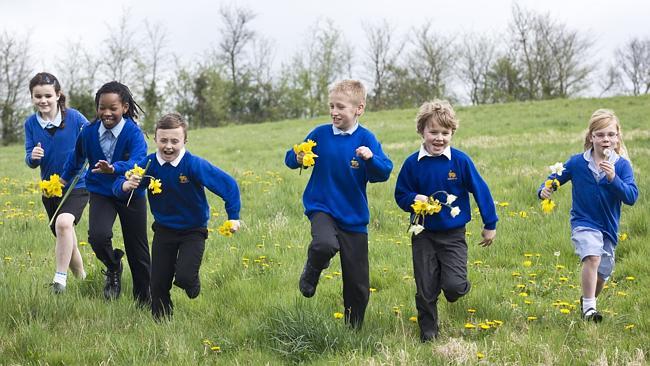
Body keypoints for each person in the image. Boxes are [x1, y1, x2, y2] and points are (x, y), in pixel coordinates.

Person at [285, 79, 393, 329]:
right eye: (331, 106)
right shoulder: (320, 134)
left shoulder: (366, 138)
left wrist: (370, 159)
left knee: (357, 282)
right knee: (324, 244)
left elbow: (384, 171)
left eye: (340, 107)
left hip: (354, 216)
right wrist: (299, 157)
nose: (334, 112)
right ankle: (312, 270)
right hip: (321, 206)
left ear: (359, 109)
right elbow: (291, 158)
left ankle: (353, 330)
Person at [114, 113, 241, 319]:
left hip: (193, 231)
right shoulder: (149, 165)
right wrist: (125, 185)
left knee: (184, 276)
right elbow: (122, 182)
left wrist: (233, 217)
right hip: (164, 231)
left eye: (175, 141)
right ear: (155, 139)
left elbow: (228, 185)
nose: (169, 146)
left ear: (184, 141)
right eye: (163, 140)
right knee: (157, 284)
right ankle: (162, 323)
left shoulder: (193, 164)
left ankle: (191, 282)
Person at [394, 99, 498, 342]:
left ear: (452, 133)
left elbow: (480, 190)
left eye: (445, 132)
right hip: (423, 234)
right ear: (422, 131)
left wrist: (489, 224)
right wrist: (413, 199)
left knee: (452, 287)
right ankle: (428, 331)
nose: (439, 138)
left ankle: (455, 284)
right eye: (433, 132)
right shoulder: (412, 164)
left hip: (453, 235)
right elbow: (400, 194)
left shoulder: (460, 161)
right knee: (425, 287)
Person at [537, 109, 638, 322]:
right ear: (591, 137)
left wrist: (613, 178)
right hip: (584, 222)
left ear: (617, 137)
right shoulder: (577, 163)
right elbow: (555, 178)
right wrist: (544, 189)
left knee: (603, 270)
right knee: (592, 256)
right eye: (600, 135)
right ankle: (590, 310)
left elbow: (631, 197)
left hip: (609, 227)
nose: (606, 139)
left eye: (611, 134)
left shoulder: (621, 166)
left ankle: (586, 301)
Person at [62, 81, 150, 305]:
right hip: (101, 191)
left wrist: (115, 168)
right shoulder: (89, 132)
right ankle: (113, 267)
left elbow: (139, 160)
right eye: (102, 107)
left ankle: (144, 297)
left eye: (113, 108)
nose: (107, 113)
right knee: (98, 237)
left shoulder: (133, 133)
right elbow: (76, 157)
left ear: (125, 108)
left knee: (136, 247)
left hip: (130, 193)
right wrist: (63, 179)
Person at [24, 72, 90, 294]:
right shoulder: (31, 124)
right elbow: (29, 160)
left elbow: (93, 139)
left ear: (57, 95)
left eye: (48, 95)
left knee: (63, 224)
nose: (43, 100)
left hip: (77, 185)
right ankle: (82, 278)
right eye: (38, 96)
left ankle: (59, 280)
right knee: (65, 234)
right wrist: (32, 157)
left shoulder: (76, 118)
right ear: (32, 97)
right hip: (50, 189)